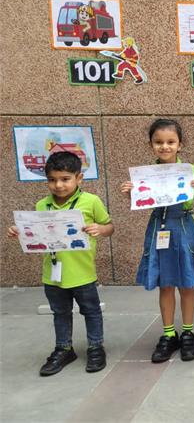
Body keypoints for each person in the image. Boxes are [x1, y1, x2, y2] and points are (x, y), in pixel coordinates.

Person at [7, 152, 114, 376]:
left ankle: (96, 346)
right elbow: (35, 233)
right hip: (52, 274)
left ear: (79, 178)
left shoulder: (90, 201)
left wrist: (100, 229)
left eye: (65, 179)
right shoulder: (42, 205)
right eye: (52, 180)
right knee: (60, 312)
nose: (58, 185)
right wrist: (21, 231)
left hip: (83, 272)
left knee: (91, 311)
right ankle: (64, 348)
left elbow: (109, 226)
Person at [121, 119, 194, 363]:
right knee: (165, 284)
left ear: (180, 144)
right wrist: (130, 194)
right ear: (151, 144)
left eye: (171, 142)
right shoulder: (146, 174)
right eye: (158, 142)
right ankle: (169, 334)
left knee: (186, 283)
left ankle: (188, 333)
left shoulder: (190, 170)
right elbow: (142, 201)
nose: (165, 146)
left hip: (183, 227)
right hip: (159, 227)